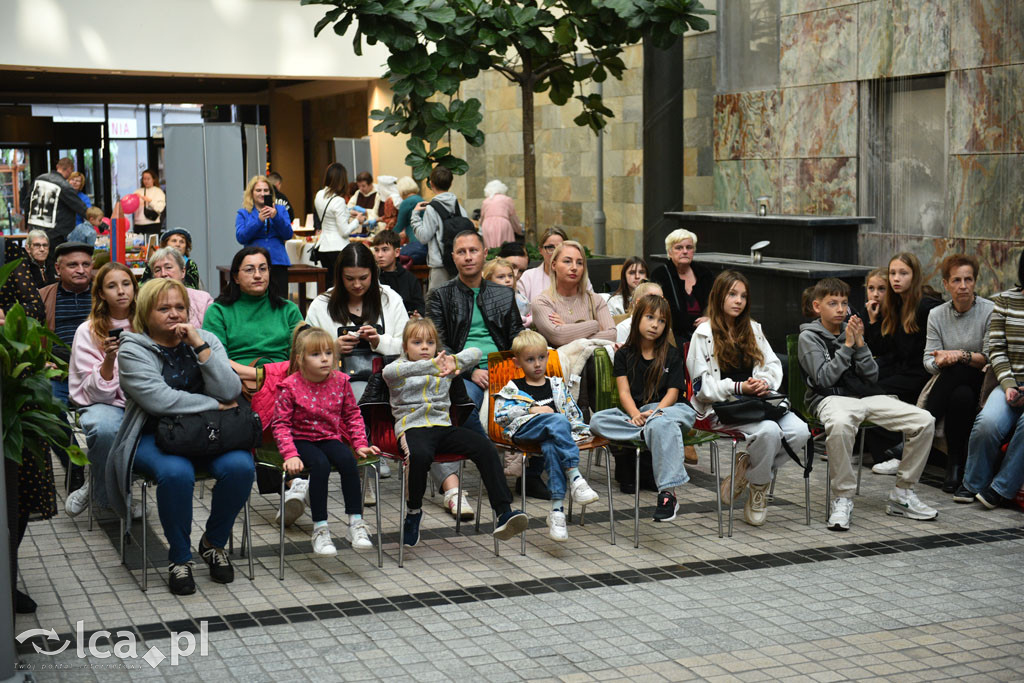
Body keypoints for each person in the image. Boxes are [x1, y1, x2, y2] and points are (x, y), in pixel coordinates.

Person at [105, 278, 255, 595]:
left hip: (208, 434)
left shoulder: (206, 339)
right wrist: (214, 404)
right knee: (176, 473)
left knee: (241, 466)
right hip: (153, 433)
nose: (174, 314)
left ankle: (213, 543)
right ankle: (180, 558)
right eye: (164, 308)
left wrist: (200, 347)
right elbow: (160, 401)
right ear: (146, 313)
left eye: (180, 307)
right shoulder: (132, 350)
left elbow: (231, 389)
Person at [798, 278, 938, 531]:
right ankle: (842, 498)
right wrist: (847, 346)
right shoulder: (809, 337)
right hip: (830, 398)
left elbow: (871, 375)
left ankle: (902, 494)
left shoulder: (851, 330)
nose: (841, 309)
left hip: (865, 396)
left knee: (924, 421)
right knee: (840, 424)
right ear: (818, 306)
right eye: (833, 303)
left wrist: (860, 344)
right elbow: (824, 378)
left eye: (844, 303)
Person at [383, 319, 528, 546]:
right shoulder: (398, 369)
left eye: (430, 343)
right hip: (413, 429)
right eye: (417, 342)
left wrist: (452, 361)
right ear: (405, 346)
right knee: (419, 457)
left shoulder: (444, 365)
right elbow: (390, 371)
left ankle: (503, 512)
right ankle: (413, 514)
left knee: (485, 447)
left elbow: (476, 351)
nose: (424, 347)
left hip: (444, 428)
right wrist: (431, 366)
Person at [686, 270, 810, 527]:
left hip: (758, 403)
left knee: (800, 431)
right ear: (719, 296)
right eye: (732, 294)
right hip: (721, 408)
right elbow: (702, 388)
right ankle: (759, 490)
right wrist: (740, 387)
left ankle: (748, 471)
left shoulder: (753, 329)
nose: (738, 301)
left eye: (743, 296)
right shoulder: (704, 334)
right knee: (768, 432)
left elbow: (773, 365)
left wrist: (764, 382)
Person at [427, 230, 528, 507]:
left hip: (504, 370)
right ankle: (493, 465)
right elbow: (438, 344)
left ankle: (534, 475)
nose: (468, 256)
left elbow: (516, 336)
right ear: (453, 257)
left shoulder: (502, 294)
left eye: (473, 250)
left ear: (485, 254)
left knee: (539, 399)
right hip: (463, 373)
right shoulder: (441, 295)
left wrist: (510, 368)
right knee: (464, 403)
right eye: (461, 252)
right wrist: (469, 371)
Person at [271, 324, 379, 555]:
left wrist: (360, 443)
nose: (324, 359)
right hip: (301, 439)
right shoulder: (289, 386)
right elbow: (280, 424)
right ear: (300, 359)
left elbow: (352, 414)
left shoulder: (340, 381)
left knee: (348, 461)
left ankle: (355, 522)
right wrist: (290, 454)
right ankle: (320, 528)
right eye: (316, 354)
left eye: (328, 353)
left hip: (329, 436)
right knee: (319, 465)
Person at [591, 294, 697, 520]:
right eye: (650, 317)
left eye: (661, 321)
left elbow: (673, 393)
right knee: (597, 421)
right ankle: (648, 429)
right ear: (638, 317)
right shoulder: (623, 355)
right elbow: (624, 393)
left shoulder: (671, 353)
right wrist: (637, 415)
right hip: (641, 416)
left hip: (673, 410)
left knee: (661, 422)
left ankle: (668, 494)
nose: (655, 325)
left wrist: (657, 412)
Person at [493, 330, 599, 541]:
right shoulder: (514, 388)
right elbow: (500, 415)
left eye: (541, 357)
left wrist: (577, 429)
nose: (537, 364)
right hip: (524, 432)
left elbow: (573, 413)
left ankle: (557, 510)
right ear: (517, 363)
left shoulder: (556, 386)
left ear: (547, 357)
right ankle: (574, 475)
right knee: (557, 421)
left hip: (550, 437)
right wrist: (531, 410)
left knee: (552, 445)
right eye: (530, 359)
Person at [1, 237, 57, 614]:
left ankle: (8, 578)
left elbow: (31, 320)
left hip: (13, 398)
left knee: (17, 495)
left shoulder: (11, 261)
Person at [66, 262, 139, 516]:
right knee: (107, 428)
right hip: (102, 402)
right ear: (100, 294)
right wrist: (108, 360)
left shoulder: (148, 323)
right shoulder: (87, 331)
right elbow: (92, 393)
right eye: (112, 286)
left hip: (143, 400)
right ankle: (112, 495)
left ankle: (97, 480)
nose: (121, 291)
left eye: (126, 284)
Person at [956, 251, 1024, 509]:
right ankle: (973, 483)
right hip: (1009, 382)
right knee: (987, 423)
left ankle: (1001, 489)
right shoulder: (1005, 301)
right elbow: (996, 348)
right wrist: (1008, 386)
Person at [863, 252, 942, 473]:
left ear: (914, 276)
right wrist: (872, 321)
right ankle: (887, 453)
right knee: (862, 386)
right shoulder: (895, 304)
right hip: (902, 369)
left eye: (903, 273)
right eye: (893, 273)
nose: (896, 279)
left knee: (872, 394)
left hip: (923, 373)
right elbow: (882, 348)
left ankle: (895, 454)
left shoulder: (926, 307)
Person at [923, 254, 993, 492]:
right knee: (960, 396)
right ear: (946, 284)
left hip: (982, 379)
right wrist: (942, 361)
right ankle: (954, 465)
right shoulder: (937, 314)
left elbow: (990, 357)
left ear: (975, 282)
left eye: (968, 279)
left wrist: (959, 356)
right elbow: (928, 360)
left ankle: (920, 430)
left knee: (961, 370)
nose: (963, 286)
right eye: (956, 280)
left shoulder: (989, 311)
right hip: (951, 382)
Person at [305, 242, 409, 402]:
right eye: (349, 279)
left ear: (373, 274)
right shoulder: (320, 306)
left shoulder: (390, 299)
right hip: (332, 388)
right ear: (339, 277)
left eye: (363, 278)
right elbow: (305, 354)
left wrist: (379, 341)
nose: (357, 285)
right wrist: (332, 349)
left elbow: (410, 348)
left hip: (389, 384)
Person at [203, 247, 303, 383]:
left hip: (285, 383)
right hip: (236, 383)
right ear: (235, 277)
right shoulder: (218, 311)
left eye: (263, 269)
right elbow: (216, 360)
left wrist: (275, 376)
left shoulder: (288, 309)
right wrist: (263, 375)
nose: (257, 275)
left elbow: (301, 356)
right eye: (249, 270)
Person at [532, 240, 616, 349]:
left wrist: (567, 328)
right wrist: (594, 325)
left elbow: (612, 336)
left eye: (580, 263)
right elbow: (558, 336)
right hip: (559, 365)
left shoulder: (596, 300)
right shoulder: (542, 302)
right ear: (554, 265)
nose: (574, 267)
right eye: (567, 261)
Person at [40, 242, 95, 408]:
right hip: (58, 373)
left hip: (97, 373)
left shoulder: (103, 294)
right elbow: (29, 336)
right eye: (73, 265)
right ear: (57, 269)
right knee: (52, 407)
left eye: (86, 264)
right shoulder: (42, 297)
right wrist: (40, 362)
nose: (81, 270)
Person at [235, 175, 293, 301]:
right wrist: (258, 220)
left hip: (277, 262)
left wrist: (276, 217)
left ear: (271, 193)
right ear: (251, 193)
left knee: (279, 301)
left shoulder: (280, 210)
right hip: (253, 264)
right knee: (255, 300)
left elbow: (288, 234)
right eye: (258, 190)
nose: (262, 193)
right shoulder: (243, 213)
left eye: (266, 190)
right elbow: (241, 237)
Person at [651, 229, 713, 345]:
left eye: (689, 247)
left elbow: (716, 302)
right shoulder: (660, 275)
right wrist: (696, 323)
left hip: (707, 331)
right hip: (673, 334)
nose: (685, 251)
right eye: (679, 248)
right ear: (669, 252)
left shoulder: (705, 273)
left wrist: (710, 320)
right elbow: (664, 312)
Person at [412, 166, 469, 291]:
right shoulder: (458, 206)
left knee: (437, 304)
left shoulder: (432, 208)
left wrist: (415, 215)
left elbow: (424, 237)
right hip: (459, 262)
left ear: (431, 183)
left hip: (440, 265)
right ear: (451, 183)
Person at [26, 157, 89, 252]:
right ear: (69, 170)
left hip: (34, 230)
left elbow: (27, 202)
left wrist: (28, 224)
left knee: (36, 260)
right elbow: (81, 208)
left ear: (57, 166)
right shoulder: (64, 186)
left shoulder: (39, 179)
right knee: (52, 262)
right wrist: (101, 223)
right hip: (54, 234)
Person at [517, 227, 593, 303]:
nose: (555, 252)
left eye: (560, 248)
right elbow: (520, 310)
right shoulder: (528, 277)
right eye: (550, 248)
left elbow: (592, 307)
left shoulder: (579, 278)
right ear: (540, 250)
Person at [313, 163, 360, 277]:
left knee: (329, 284)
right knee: (340, 283)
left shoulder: (319, 195)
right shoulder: (339, 200)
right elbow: (344, 232)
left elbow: (329, 213)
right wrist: (357, 220)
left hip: (323, 246)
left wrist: (347, 212)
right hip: (338, 247)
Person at [147, 247, 213, 328]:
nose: (163, 274)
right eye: (157, 270)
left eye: (168, 267)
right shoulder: (147, 301)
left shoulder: (203, 299)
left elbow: (212, 335)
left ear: (183, 272)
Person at [371, 229, 424, 317]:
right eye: (376, 250)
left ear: (397, 252)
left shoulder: (410, 279)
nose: (379, 255)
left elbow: (420, 306)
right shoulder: (372, 278)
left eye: (385, 250)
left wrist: (417, 314)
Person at [479, 179, 522, 250]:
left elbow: (482, 218)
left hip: (487, 225)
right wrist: (518, 229)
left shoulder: (486, 201)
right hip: (503, 223)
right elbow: (513, 217)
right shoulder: (507, 199)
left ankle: (491, 259)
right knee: (505, 248)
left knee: (489, 248)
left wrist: (481, 226)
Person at [394, 176, 426, 265]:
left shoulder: (406, 202)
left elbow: (399, 226)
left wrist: (387, 238)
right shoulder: (420, 199)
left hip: (416, 243)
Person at [132, 169, 166, 235]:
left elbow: (160, 208)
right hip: (138, 224)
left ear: (153, 179)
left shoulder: (158, 191)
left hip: (152, 223)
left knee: (151, 244)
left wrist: (149, 201)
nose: (146, 181)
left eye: (148, 179)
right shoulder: (137, 191)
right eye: (144, 179)